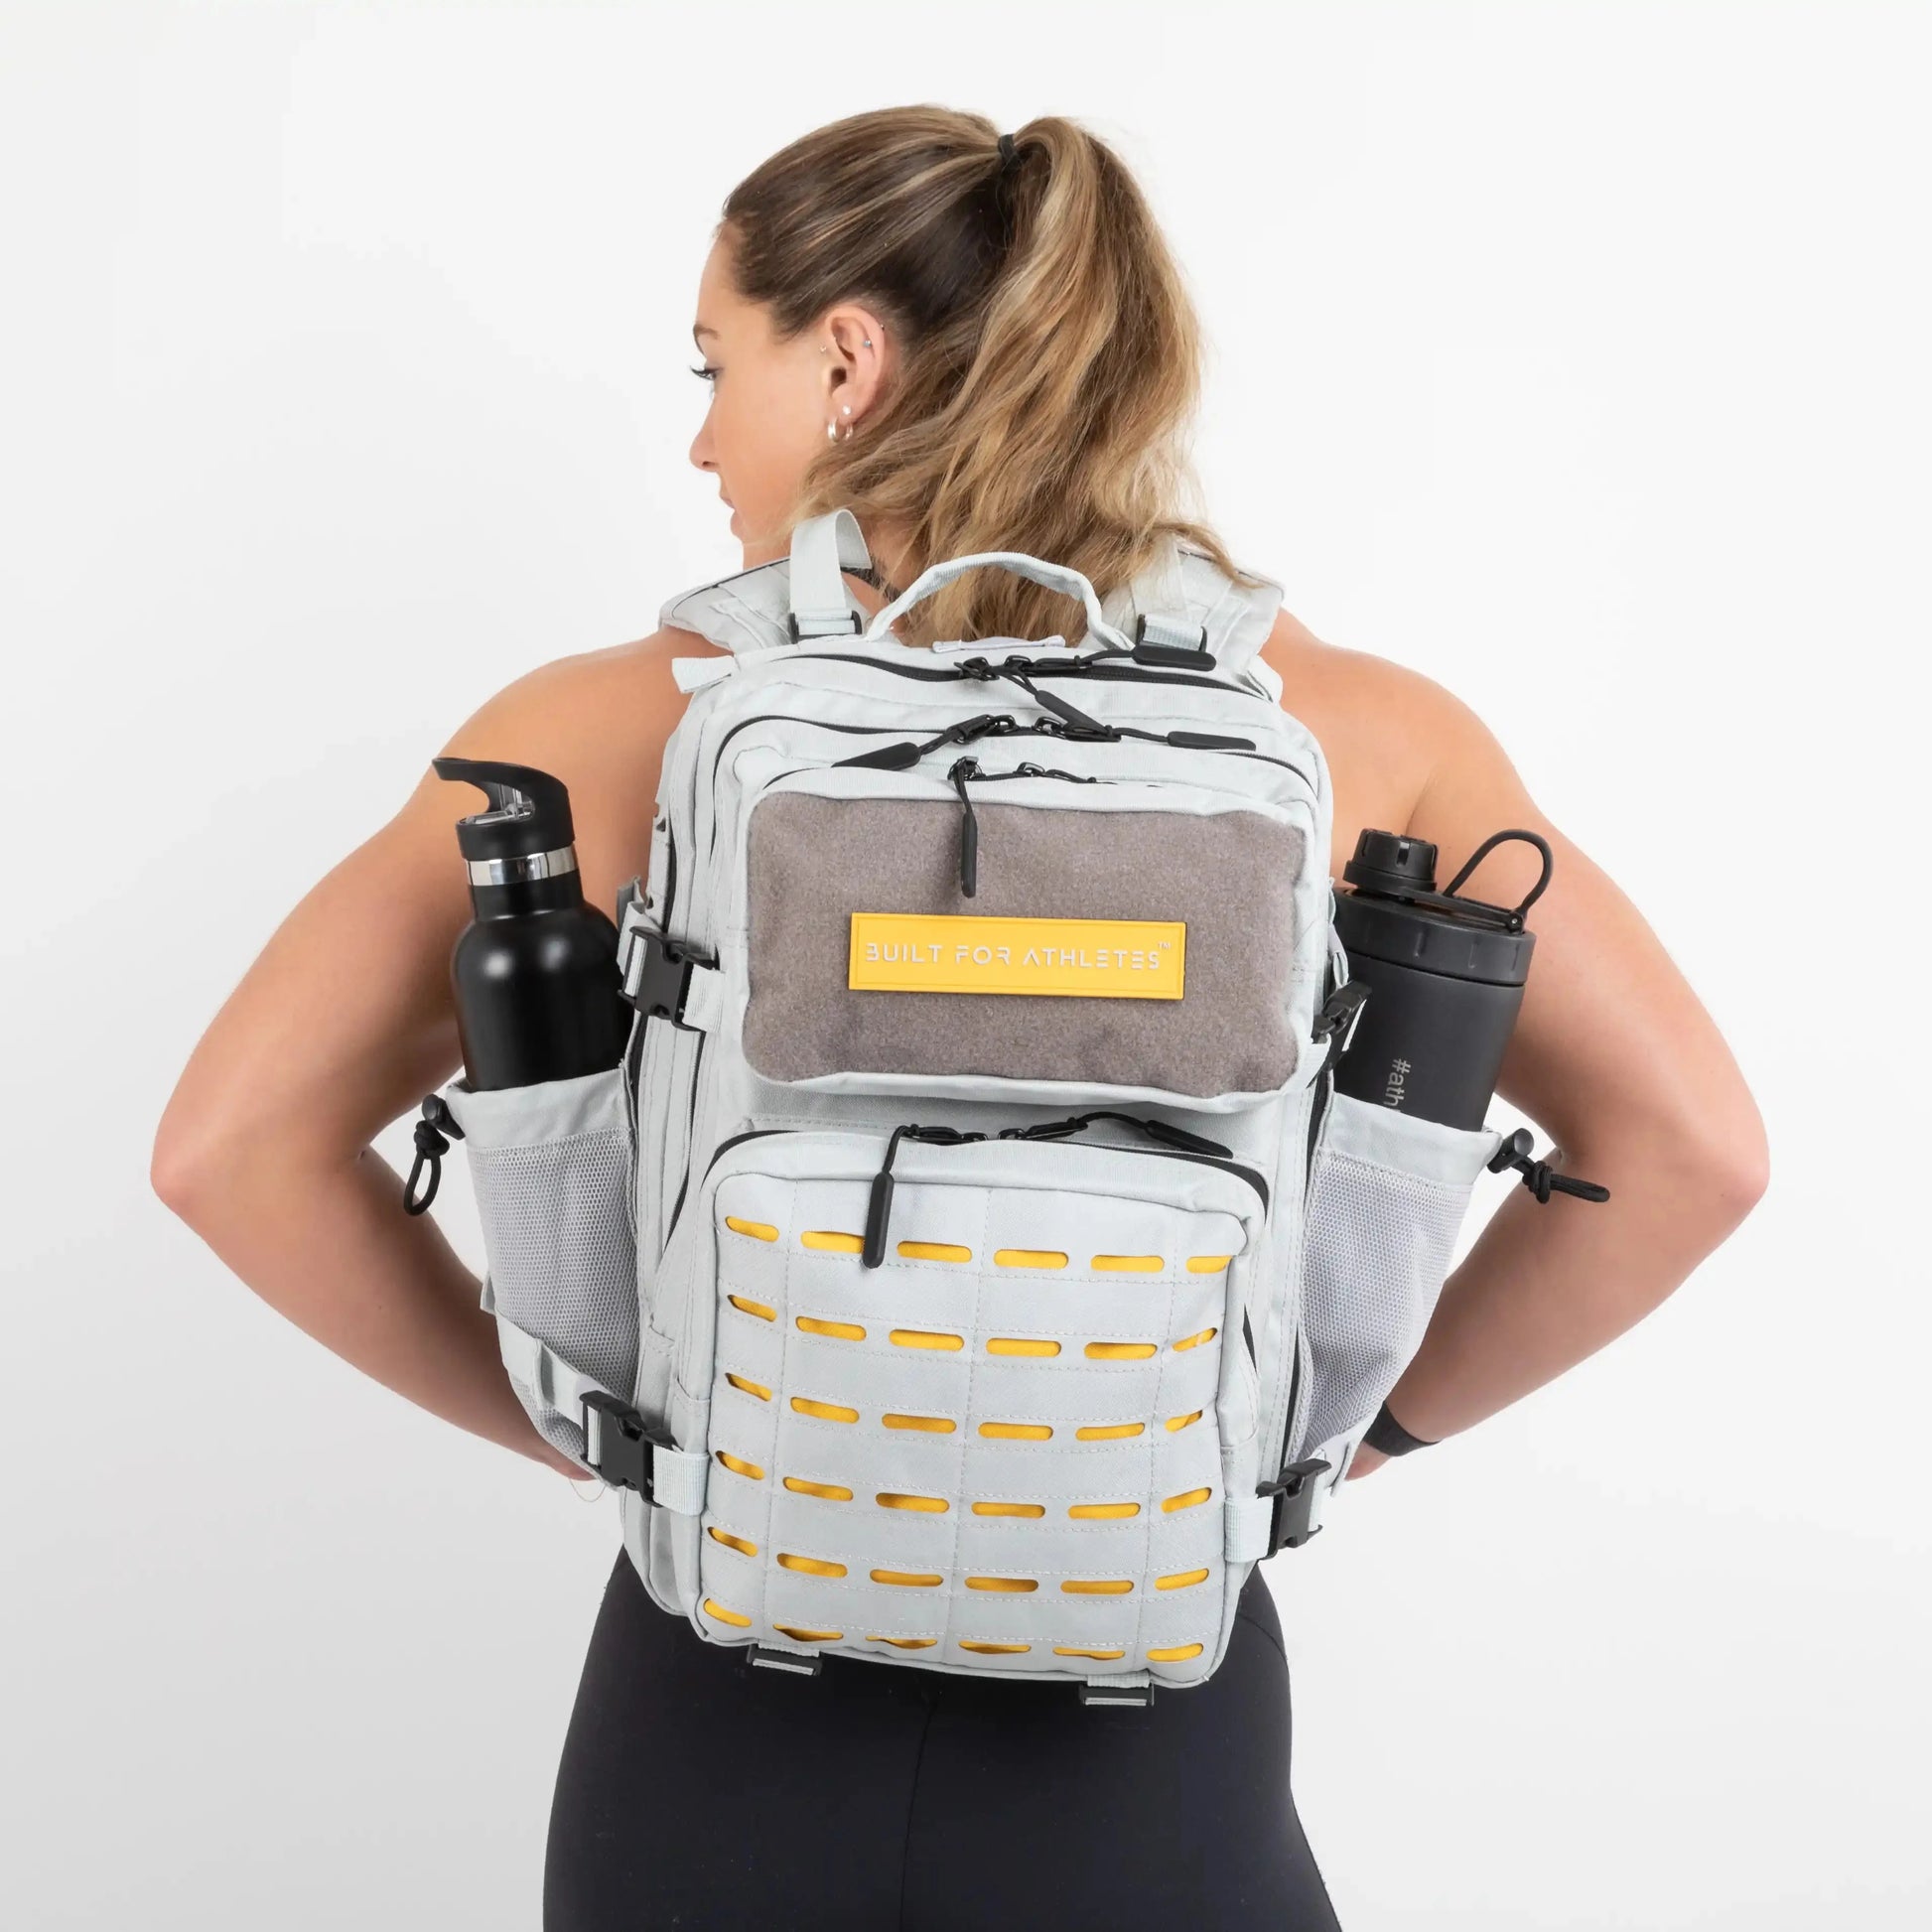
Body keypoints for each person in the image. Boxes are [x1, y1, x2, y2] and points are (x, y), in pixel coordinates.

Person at [151, 106, 1768, 1932]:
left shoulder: (607, 735)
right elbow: (1692, 1150)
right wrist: (1338, 1447)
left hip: (714, 1733)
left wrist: (608, 1425)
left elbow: (229, 1149)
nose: (700, 436)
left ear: (845, 360)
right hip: (1145, 1745)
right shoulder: (1351, 739)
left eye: (715, 365)